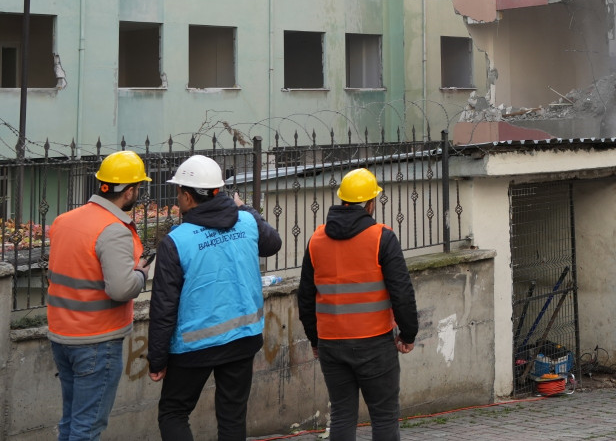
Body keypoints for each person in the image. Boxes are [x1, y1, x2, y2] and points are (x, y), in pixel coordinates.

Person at [146, 154, 281, 441]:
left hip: (194, 346)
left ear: (187, 196)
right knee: (232, 416)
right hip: (244, 338)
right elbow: (273, 243)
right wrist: (249, 210)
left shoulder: (176, 241)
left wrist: (157, 360)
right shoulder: (245, 221)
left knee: (173, 412)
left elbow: (164, 307)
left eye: (178, 192)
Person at [298, 168, 418, 441]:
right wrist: (408, 333)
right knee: (384, 416)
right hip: (374, 343)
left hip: (331, 343)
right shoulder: (382, 238)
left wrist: (315, 340)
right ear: (371, 203)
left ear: (342, 201)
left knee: (342, 414)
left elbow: (305, 296)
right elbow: (401, 291)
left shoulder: (316, 240)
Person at [47, 150, 152, 441]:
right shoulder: (113, 230)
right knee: (87, 427)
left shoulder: (64, 220)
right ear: (129, 191)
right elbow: (120, 289)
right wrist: (141, 274)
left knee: (70, 421)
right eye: (139, 188)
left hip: (62, 335)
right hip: (97, 341)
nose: (139, 193)